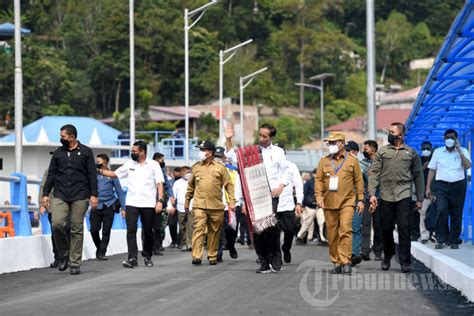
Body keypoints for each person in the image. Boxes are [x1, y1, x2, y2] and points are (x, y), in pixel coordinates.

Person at [225, 123, 289, 274]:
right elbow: (232, 156)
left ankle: (275, 259)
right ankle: (264, 262)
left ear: (272, 137)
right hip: (253, 196)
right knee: (258, 230)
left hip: (271, 195)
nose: (261, 138)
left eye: (265, 136)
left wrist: (281, 186)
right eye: (260, 135)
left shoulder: (279, 152)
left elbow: (285, 172)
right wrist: (229, 139)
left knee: (271, 229)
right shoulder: (251, 152)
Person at [42, 124, 98, 275]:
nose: (61, 139)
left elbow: (92, 174)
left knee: (76, 228)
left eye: (63, 137)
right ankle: (64, 254)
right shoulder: (58, 153)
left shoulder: (86, 152)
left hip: (80, 194)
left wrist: (94, 195)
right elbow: (51, 174)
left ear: (72, 137)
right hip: (60, 194)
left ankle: (75, 263)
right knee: (56, 224)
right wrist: (45, 194)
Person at [368, 122, 424, 273]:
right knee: (386, 228)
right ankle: (388, 255)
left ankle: (405, 261)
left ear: (400, 135)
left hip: (404, 193)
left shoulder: (411, 153)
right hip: (385, 194)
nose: (389, 134)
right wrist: (372, 193)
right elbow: (374, 173)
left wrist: (419, 198)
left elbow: (419, 176)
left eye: (392, 131)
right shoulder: (382, 152)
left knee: (405, 227)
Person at [100, 141, 165, 268]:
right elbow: (114, 174)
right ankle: (132, 258)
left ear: (142, 152)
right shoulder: (129, 164)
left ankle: (147, 256)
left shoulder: (153, 165)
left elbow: (159, 184)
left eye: (135, 151)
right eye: (132, 151)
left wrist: (160, 201)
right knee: (131, 230)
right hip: (132, 203)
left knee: (148, 231)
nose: (132, 154)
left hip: (148, 203)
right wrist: (98, 170)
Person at [315, 132, 364, 275]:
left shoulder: (352, 161)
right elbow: (318, 180)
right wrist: (318, 197)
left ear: (342, 143)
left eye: (333, 142)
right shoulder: (323, 161)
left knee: (345, 230)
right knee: (332, 234)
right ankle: (336, 262)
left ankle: (345, 261)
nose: (330, 145)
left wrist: (360, 200)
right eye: (329, 143)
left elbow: (359, 181)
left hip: (347, 202)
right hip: (329, 203)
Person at [185, 141, 235, 265]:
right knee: (199, 228)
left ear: (210, 152)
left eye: (203, 150)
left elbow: (229, 185)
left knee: (214, 231)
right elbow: (190, 186)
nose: (201, 152)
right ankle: (197, 256)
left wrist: (232, 202)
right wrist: (187, 200)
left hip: (216, 206)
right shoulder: (196, 167)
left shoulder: (220, 168)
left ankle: (212, 255)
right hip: (199, 205)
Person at [426, 129, 471, 249]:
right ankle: (441, 240)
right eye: (447, 137)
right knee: (441, 210)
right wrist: (428, 188)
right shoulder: (438, 152)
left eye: (451, 137)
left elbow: (467, 166)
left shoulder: (464, 151)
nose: (449, 140)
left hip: (458, 186)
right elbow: (432, 170)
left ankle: (453, 240)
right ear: (444, 139)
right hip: (441, 186)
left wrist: (460, 151)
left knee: (456, 213)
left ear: (456, 139)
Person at [91, 154, 125, 261]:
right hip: (96, 206)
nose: (96, 163)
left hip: (109, 206)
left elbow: (119, 191)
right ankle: (99, 247)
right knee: (94, 230)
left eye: (98, 161)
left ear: (104, 163)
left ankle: (102, 252)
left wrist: (124, 208)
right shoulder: (93, 175)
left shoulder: (112, 175)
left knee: (106, 231)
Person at [274, 142, 303, 264]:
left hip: (287, 204)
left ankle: (286, 248)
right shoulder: (269, 167)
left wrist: (299, 202)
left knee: (290, 230)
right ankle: (274, 256)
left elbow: (298, 184)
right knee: (272, 232)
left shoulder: (291, 166)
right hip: (273, 204)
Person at [216, 146, 244, 262]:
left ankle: (231, 246)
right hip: (216, 205)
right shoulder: (209, 170)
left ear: (224, 157)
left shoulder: (232, 171)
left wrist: (238, 203)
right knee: (217, 230)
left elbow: (238, 188)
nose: (217, 159)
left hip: (231, 205)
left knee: (231, 230)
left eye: (219, 157)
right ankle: (218, 254)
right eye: (215, 157)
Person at [359, 140, 383, 261]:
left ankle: (378, 251)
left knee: (378, 225)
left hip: (380, 198)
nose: (364, 151)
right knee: (366, 224)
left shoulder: (382, 162)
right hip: (367, 198)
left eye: (366, 148)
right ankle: (365, 250)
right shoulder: (362, 163)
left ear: (373, 149)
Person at [345, 141, 364, 267]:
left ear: (355, 152)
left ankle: (354, 254)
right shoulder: (340, 164)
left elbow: (368, 182)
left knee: (355, 228)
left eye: (349, 151)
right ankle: (344, 255)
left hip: (357, 200)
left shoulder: (362, 166)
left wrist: (363, 199)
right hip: (343, 201)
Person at [152, 153, 175, 254]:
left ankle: (157, 246)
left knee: (159, 225)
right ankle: (147, 247)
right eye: (161, 159)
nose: (162, 161)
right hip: (148, 200)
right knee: (147, 226)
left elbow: (167, 184)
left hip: (160, 201)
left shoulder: (162, 169)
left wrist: (171, 196)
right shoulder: (149, 167)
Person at [173, 166, 193, 251]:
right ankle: (184, 243)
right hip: (180, 207)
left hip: (191, 206)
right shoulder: (177, 183)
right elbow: (173, 196)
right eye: (185, 172)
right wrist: (172, 206)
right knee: (182, 226)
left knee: (191, 225)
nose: (187, 174)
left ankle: (190, 243)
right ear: (181, 173)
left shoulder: (193, 182)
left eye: (189, 172)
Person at [418, 141, 434, 244]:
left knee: (435, 214)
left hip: (434, 193)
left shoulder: (435, 159)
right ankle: (424, 235)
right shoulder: (418, 160)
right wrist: (423, 168)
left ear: (431, 149)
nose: (426, 151)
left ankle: (434, 234)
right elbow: (413, 174)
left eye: (428, 149)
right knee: (423, 214)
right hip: (422, 193)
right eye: (424, 149)